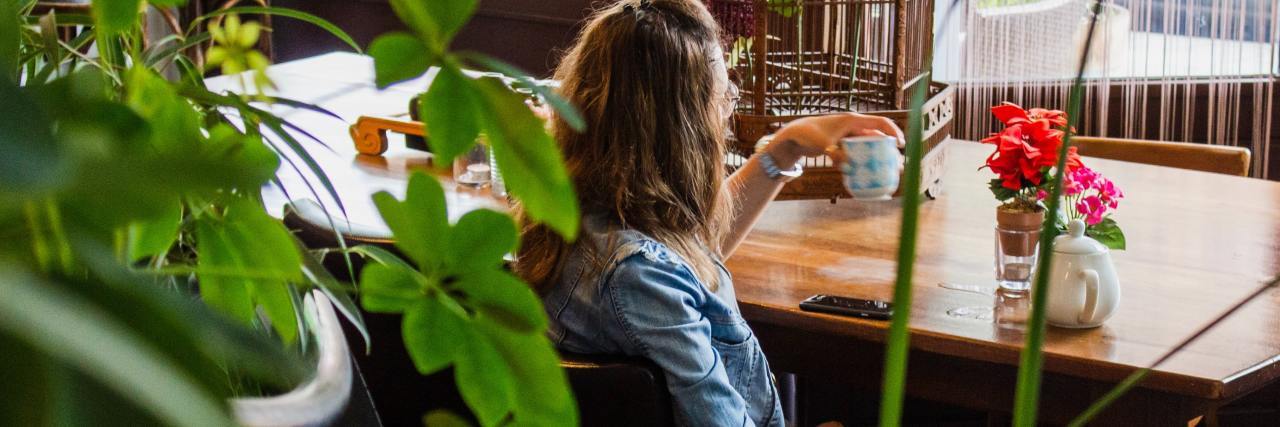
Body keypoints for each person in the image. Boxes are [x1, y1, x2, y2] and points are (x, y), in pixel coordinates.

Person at [516, 0, 904, 425]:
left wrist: (787, 146)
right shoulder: (640, 278)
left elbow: (689, 258)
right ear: (682, 129)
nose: (724, 114)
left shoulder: (573, 221)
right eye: (723, 98)